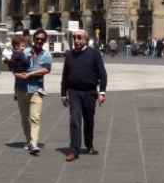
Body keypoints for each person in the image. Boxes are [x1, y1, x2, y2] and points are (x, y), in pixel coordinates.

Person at [60, 29, 107, 162]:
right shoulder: (69, 55)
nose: (76, 41)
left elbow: (102, 74)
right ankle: (74, 150)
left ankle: (89, 144)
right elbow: (65, 76)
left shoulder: (94, 54)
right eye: (75, 38)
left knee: (89, 120)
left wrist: (102, 92)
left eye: (79, 38)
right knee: (74, 119)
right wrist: (63, 94)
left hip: (90, 92)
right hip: (74, 92)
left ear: (86, 39)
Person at [16, 30, 54, 155]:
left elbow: (46, 70)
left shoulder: (47, 55)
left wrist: (30, 74)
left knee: (35, 118)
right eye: (37, 38)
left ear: (45, 41)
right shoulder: (24, 52)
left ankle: (34, 143)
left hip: (37, 90)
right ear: (33, 38)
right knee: (24, 118)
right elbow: (16, 68)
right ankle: (28, 140)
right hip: (21, 89)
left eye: (42, 39)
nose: (39, 41)